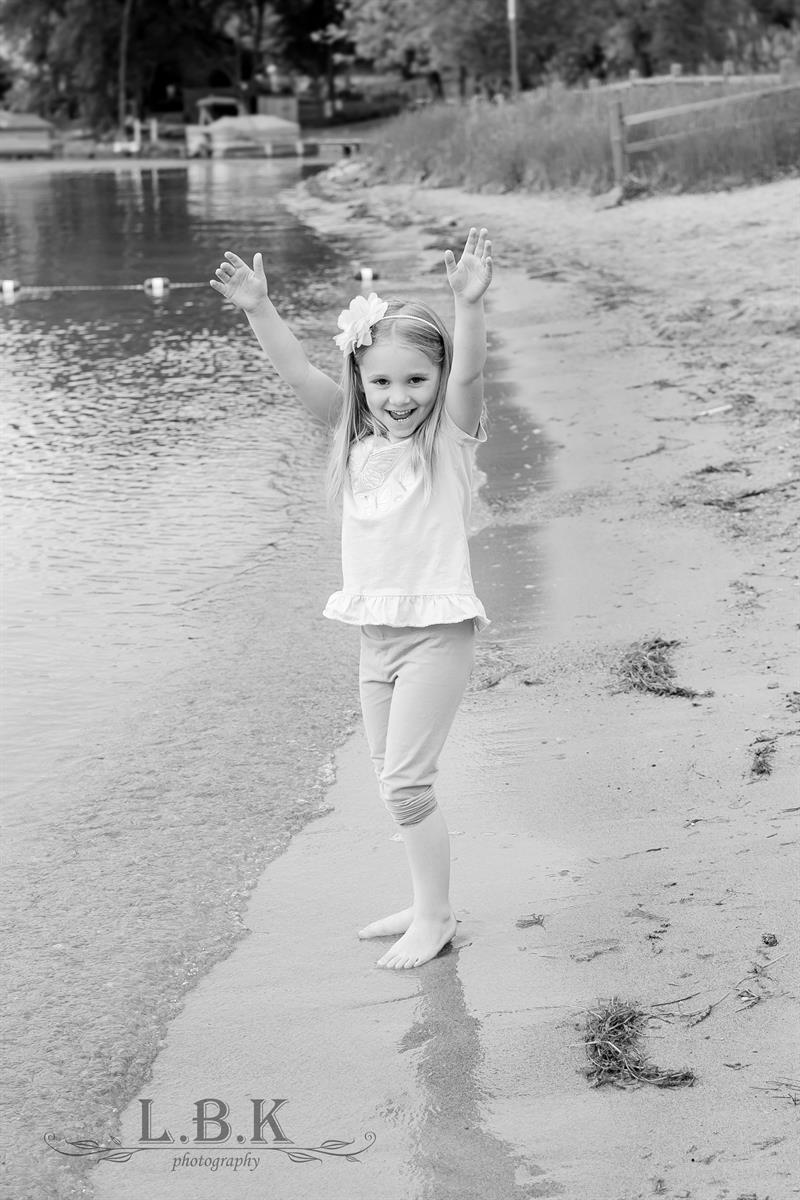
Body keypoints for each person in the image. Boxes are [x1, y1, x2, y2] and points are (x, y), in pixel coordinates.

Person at [209, 227, 493, 969]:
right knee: (393, 781)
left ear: (438, 380)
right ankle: (425, 902)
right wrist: (259, 308)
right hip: (377, 639)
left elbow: (468, 375)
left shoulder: (448, 442)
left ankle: (437, 917)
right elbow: (298, 371)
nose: (399, 398)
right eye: (382, 382)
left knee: (407, 783)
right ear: (362, 383)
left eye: (416, 381)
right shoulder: (356, 442)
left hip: (436, 634)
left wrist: (468, 306)